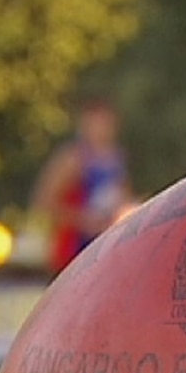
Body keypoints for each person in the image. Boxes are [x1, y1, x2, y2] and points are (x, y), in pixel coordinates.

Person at [32, 101, 132, 275]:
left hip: (105, 249)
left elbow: (121, 198)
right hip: (73, 250)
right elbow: (44, 202)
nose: (101, 129)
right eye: (96, 123)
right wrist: (83, 220)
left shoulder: (116, 159)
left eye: (106, 123)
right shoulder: (73, 160)